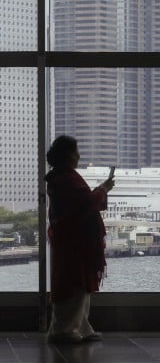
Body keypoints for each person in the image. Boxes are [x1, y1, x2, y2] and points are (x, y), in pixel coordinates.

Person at [45, 135, 114, 343]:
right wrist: (103, 190)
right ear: (68, 155)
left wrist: (101, 191)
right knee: (74, 284)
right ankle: (63, 330)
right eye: (76, 152)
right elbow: (85, 204)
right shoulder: (67, 178)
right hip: (75, 241)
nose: (79, 156)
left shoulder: (60, 177)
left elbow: (83, 203)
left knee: (78, 285)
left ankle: (79, 327)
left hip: (72, 240)